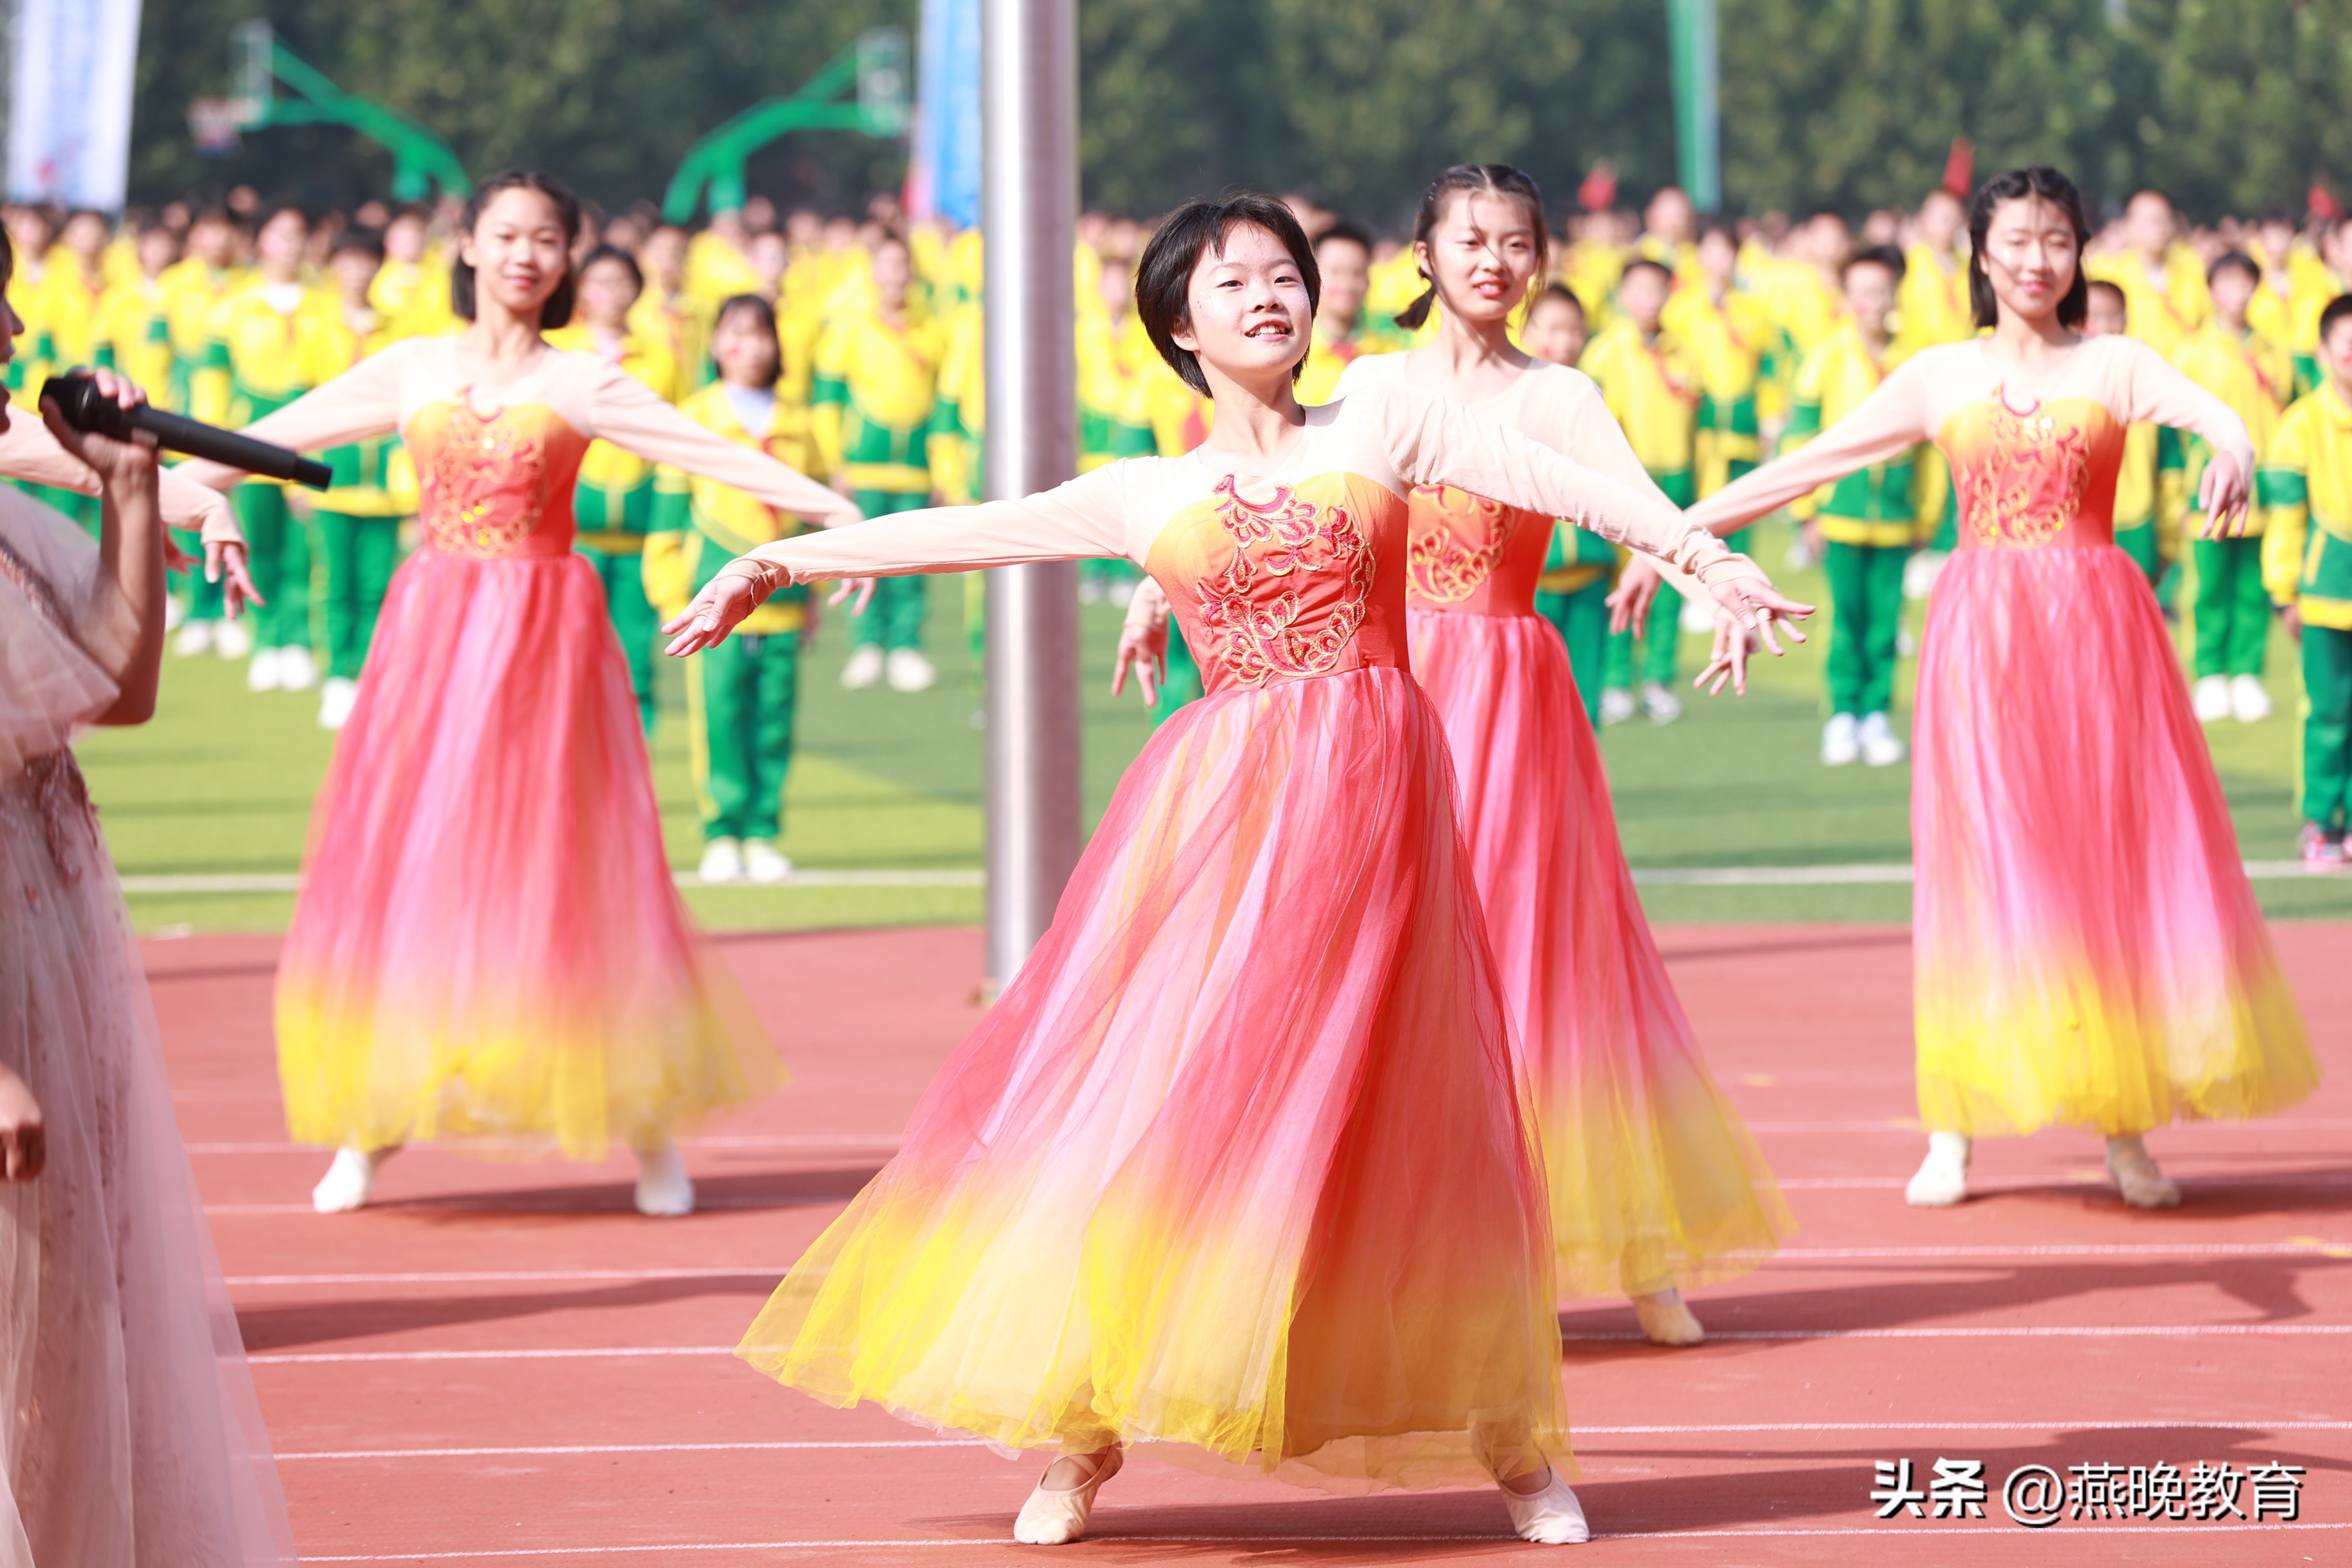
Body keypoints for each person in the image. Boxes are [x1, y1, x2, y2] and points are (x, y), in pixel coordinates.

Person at [671, 191, 1805, 1548]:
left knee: (1426, 1122)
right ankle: (1078, 1438)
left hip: (1384, 816)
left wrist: (1709, 562)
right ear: (1178, 323)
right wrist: (773, 560)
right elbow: (965, 525)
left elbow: (1582, 492)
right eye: (1233, 282)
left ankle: (1518, 1445)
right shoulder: (1145, 492)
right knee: (1151, 1105)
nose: (1270, 296)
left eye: (1284, 274)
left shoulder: (1382, 420)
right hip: (1223, 833)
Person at [173, 171, 864, 1220]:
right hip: (433, 640)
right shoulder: (411, 369)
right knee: (414, 862)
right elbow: (273, 440)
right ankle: (370, 1125)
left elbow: (712, 451)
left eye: (546, 239)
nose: (524, 255)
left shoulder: (581, 381)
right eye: (506, 235)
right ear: (466, 243)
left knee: (581, 867)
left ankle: (646, 1129)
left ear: (567, 258)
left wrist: (838, 522)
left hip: (548, 641)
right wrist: (144, 476)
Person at [1631, 166, 2318, 1210]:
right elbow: (1807, 465)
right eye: (2016, 240)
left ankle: (2122, 1125)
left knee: (2107, 870)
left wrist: (2225, 448)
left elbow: (2219, 419)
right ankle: (1951, 1124)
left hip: (2099, 639)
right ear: (1981, 256)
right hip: (1982, 640)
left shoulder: (2113, 362)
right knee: (1977, 870)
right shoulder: (1938, 375)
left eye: (2055, 239)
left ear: (2076, 251)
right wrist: (1673, 534)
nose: (2036, 259)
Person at [1333, 162, 1795, 1347]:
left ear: (1538, 261)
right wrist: (1151, 594)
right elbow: (1304, 508)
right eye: (1468, 239)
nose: (1492, 260)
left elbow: (1643, 506)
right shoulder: (1368, 385)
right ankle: (1400, 1240)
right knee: (1386, 960)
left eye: (1514, 242)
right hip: (1386, 688)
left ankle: (1629, 1242)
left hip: (1505, 685)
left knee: (1544, 958)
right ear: (1422, 256)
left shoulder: (1562, 397)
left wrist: (1720, 575)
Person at [0, 338, 295, 1560]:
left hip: (43, 925)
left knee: (66, 1310)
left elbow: (118, 687)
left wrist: (128, 487)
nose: (14, 338)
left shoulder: (10, 515)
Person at [645, 295, 819, 886]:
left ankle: (764, 830)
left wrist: (816, 595)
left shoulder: (799, 423)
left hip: (784, 601)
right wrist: (671, 592)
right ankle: (722, 830)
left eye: (762, 333)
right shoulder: (694, 418)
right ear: (717, 345)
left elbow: (817, 515)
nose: (751, 346)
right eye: (736, 333)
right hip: (713, 600)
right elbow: (668, 515)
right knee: (718, 718)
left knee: (774, 719)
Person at [1786, 243, 1939, 768]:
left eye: (1881, 291)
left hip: (1898, 517)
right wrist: (1806, 512)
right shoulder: (1828, 354)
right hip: (1841, 513)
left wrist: (1928, 513)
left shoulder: (1917, 359)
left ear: (1897, 293)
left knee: (1886, 623)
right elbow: (1801, 435)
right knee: (1844, 620)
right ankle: (1842, 715)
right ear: (1845, 297)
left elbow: (1934, 446)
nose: (1872, 302)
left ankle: (1877, 715)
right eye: (1861, 293)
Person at [194, 204, 329, 693]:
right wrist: (215, 441)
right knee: (258, 544)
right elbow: (212, 379)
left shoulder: (326, 305)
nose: (289, 246)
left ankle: (296, 640)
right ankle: (266, 637)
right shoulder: (234, 307)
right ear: (261, 243)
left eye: (299, 236)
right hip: (250, 440)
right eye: (280, 236)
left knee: (303, 549)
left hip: (309, 440)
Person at [547, 244, 682, 730]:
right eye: (600, 281)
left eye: (623, 282)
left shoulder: (659, 358)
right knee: (571, 639)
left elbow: (676, 437)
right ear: (582, 289)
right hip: (575, 528)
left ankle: (632, 736)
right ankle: (571, 732)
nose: (612, 293)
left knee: (634, 643)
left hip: (639, 522)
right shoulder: (558, 351)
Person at [812, 229, 946, 692]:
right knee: (862, 560)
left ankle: (907, 646)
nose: (894, 276)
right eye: (885, 266)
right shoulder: (849, 325)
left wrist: (942, 467)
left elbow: (943, 403)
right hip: (862, 466)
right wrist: (835, 462)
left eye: (901, 266)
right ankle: (866, 646)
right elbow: (826, 400)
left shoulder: (932, 328)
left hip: (914, 467)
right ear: (871, 272)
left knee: (912, 561)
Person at [300, 227, 413, 731]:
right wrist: (293, 479)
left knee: (375, 587)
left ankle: (370, 676)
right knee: (333, 584)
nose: (357, 272)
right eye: (348, 261)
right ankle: (337, 678)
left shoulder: (401, 331)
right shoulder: (316, 326)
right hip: (330, 477)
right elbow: (301, 406)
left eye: (367, 261)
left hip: (386, 485)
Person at [2173, 251, 2293, 724]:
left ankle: (2246, 674)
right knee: (2207, 587)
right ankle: (2209, 674)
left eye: (2244, 283)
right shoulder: (2192, 350)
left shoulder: (2275, 350)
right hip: (2208, 486)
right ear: (2211, 289)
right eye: (2225, 283)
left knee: (2252, 587)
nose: (2235, 293)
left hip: (2261, 486)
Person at [1581, 256, 1701, 723]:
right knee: (1621, 584)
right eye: (1639, 290)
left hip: (1675, 480)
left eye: (1657, 289)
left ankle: (1658, 679)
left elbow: (1700, 424)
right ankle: (1615, 680)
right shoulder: (1605, 353)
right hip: (1624, 480)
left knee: (1672, 581)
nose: (1648, 299)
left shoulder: (1683, 352)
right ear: (1622, 296)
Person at [2260, 293, 2352, 868]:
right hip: (2322, 598)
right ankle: (2321, 823)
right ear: (2323, 351)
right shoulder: (2300, 426)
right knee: (2327, 714)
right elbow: (2287, 520)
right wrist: (2283, 591)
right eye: (2347, 347)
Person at [1522, 282, 1615, 718]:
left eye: (1575, 330)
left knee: (1583, 698)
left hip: (1591, 566)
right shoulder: (1511, 398)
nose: (1566, 341)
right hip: (1528, 577)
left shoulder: (1595, 398)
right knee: (1527, 698)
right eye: (1553, 328)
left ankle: (1582, 787)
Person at [2084, 279, 2185, 595]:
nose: (2099, 326)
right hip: (2077, 528)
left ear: (2125, 321)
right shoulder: (2058, 388)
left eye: (2109, 316)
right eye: (2090, 316)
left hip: (2138, 524)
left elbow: (2171, 472)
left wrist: (2168, 541)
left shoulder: (2148, 389)